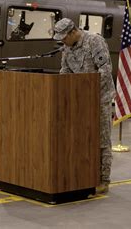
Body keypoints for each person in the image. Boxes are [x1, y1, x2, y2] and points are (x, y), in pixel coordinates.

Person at [53, 18, 115, 194]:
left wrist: (87, 92)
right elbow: (65, 71)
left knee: (101, 139)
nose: (62, 41)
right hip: (79, 101)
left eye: (64, 37)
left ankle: (104, 179)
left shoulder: (95, 41)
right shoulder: (67, 48)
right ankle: (85, 175)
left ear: (73, 32)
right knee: (81, 138)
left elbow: (105, 70)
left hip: (99, 98)